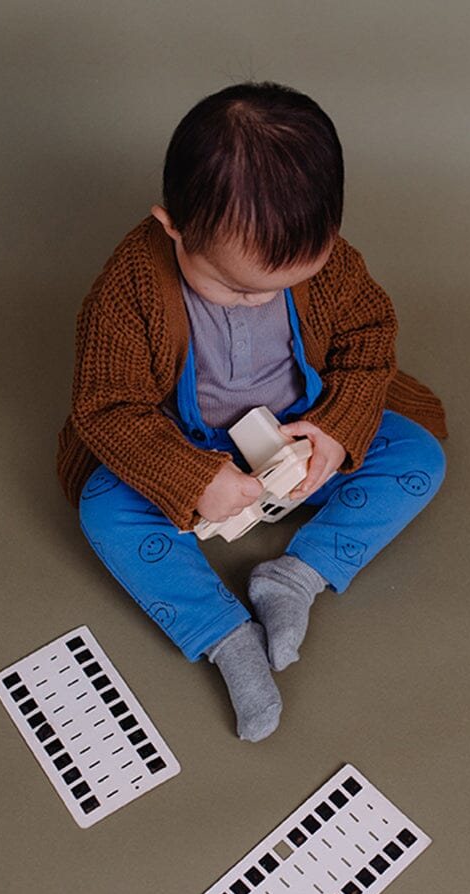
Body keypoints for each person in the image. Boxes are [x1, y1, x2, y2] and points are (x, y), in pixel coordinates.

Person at [56, 82, 447, 742]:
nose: (255, 301)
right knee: (104, 506)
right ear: (173, 226)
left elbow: (369, 335)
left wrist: (334, 431)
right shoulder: (128, 288)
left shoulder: (331, 264)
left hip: (298, 427)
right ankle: (225, 635)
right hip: (188, 443)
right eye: (236, 288)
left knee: (418, 457)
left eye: (286, 284)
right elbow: (106, 406)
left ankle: (295, 577)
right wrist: (193, 478)